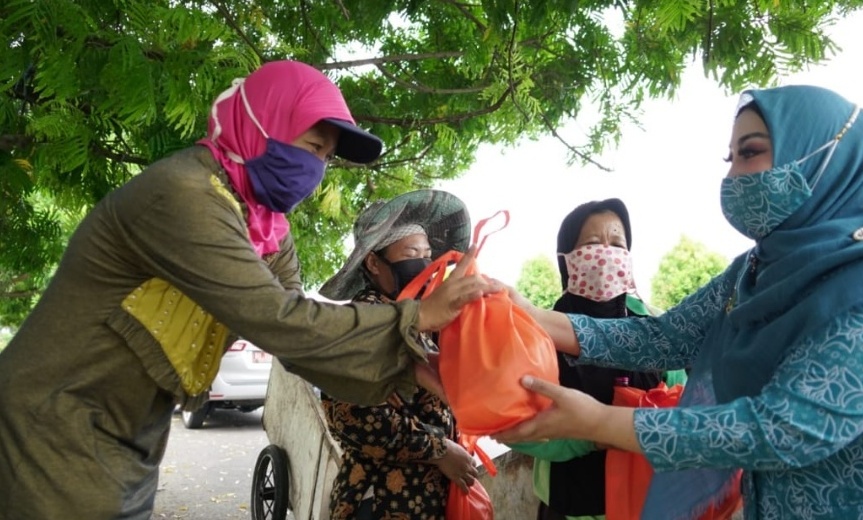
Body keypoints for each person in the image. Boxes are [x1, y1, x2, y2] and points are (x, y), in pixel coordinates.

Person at [0, 60, 492, 520]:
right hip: (56, 420)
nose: (316, 170)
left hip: (132, 434)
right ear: (263, 125)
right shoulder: (183, 194)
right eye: (310, 147)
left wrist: (423, 368)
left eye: (325, 157)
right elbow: (277, 318)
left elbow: (301, 339)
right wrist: (419, 317)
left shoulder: (267, 229)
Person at [493, 85, 863, 519]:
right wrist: (530, 315)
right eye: (730, 159)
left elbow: (784, 428)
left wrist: (600, 422)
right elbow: (662, 339)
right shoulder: (756, 270)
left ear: (827, 156)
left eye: (751, 152)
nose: (734, 178)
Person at [510, 198, 686, 520]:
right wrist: (593, 438)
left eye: (617, 243)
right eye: (592, 243)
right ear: (567, 258)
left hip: (649, 503)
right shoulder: (542, 333)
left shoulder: (657, 328)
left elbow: (685, 403)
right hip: (573, 504)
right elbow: (523, 429)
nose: (607, 252)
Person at [317, 189, 479, 519]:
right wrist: (439, 450)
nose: (425, 262)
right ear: (374, 263)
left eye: (428, 252)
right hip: (380, 500)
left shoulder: (424, 323)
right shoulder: (360, 321)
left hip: (431, 498)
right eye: (411, 253)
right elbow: (353, 416)